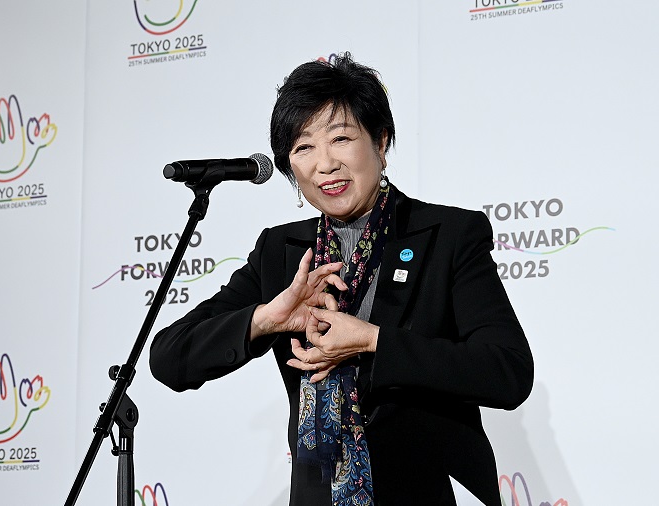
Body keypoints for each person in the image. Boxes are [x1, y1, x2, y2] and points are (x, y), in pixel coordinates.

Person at [149, 53, 533, 506]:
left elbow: (508, 372)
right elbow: (169, 358)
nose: (324, 164)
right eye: (303, 147)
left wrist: (374, 341)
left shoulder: (448, 236)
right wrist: (267, 319)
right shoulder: (282, 251)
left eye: (341, 138)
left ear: (381, 142)